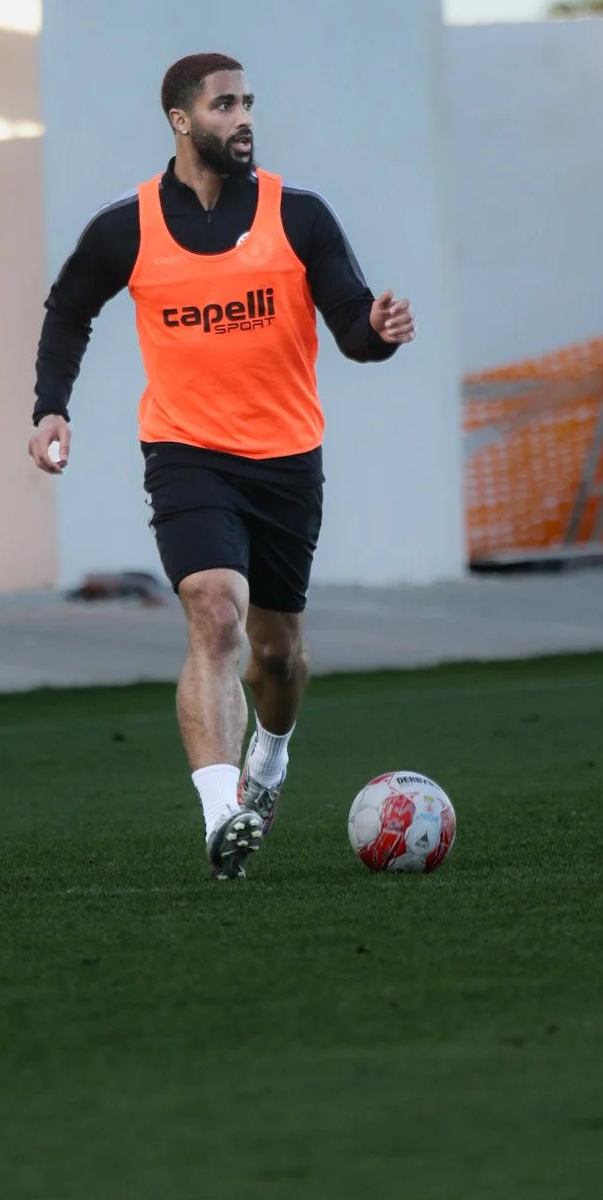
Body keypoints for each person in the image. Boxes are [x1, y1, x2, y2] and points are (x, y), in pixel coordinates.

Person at [29, 53, 415, 879]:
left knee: (275, 654)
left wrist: (378, 331)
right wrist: (51, 406)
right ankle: (221, 815)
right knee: (214, 616)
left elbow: (350, 327)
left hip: (286, 460)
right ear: (181, 120)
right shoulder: (126, 227)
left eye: (248, 103)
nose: (243, 117)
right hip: (186, 454)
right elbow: (68, 310)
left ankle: (268, 762)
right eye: (224, 104)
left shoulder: (299, 215)